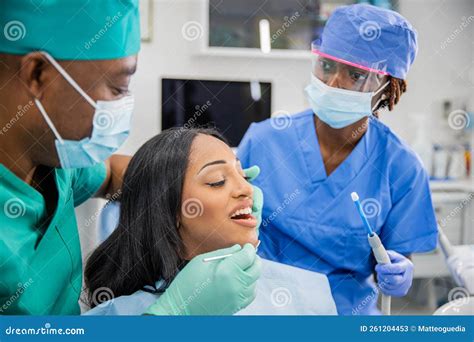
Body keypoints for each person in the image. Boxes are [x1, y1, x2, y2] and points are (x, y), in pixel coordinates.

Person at [0, 0, 261, 315]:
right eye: (116, 87)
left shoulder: (55, 161)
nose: (124, 104)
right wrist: (171, 316)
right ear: (38, 74)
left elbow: (111, 173)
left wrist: (196, 192)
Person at [237, 4, 438, 315]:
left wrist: (398, 270)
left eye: (355, 74)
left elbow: (398, 254)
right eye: (327, 66)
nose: (333, 83)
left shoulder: (401, 167)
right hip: (262, 304)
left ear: (388, 87)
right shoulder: (264, 141)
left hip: (345, 311)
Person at [84, 128, 337, 315]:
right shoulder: (118, 315)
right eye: (217, 180)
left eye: (242, 174)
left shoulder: (302, 295)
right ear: (168, 211)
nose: (246, 190)